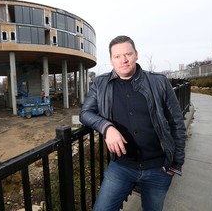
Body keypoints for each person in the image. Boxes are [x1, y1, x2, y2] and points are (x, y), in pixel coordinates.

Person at [79, 35, 186, 211]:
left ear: (136, 54)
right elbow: (85, 113)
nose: (124, 60)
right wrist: (106, 128)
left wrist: (176, 163)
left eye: (128, 54)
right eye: (117, 56)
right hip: (121, 167)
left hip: (158, 168)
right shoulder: (101, 83)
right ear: (111, 60)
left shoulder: (158, 82)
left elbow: (176, 122)